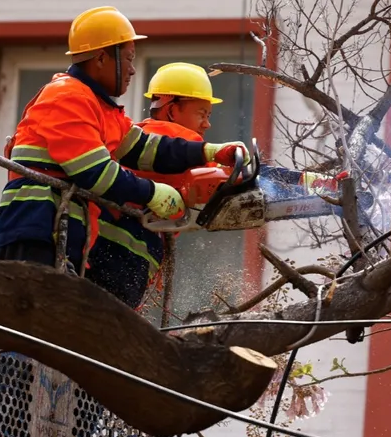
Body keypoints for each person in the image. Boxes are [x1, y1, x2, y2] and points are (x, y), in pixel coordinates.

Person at [0, 6, 249, 277]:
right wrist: (152, 193)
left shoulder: (99, 107)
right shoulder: (68, 97)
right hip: (35, 227)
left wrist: (209, 151)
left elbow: (145, 149)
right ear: (102, 58)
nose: (133, 70)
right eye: (128, 58)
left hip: (57, 230)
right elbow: (96, 172)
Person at [85, 62, 346, 311]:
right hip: (122, 253)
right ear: (172, 109)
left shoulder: (142, 137)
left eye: (208, 115)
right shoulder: (170, 136)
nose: (207, 124)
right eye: (201, 114)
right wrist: (307, 183)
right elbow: (234, 176)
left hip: (109, 251)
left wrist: (304, 181)